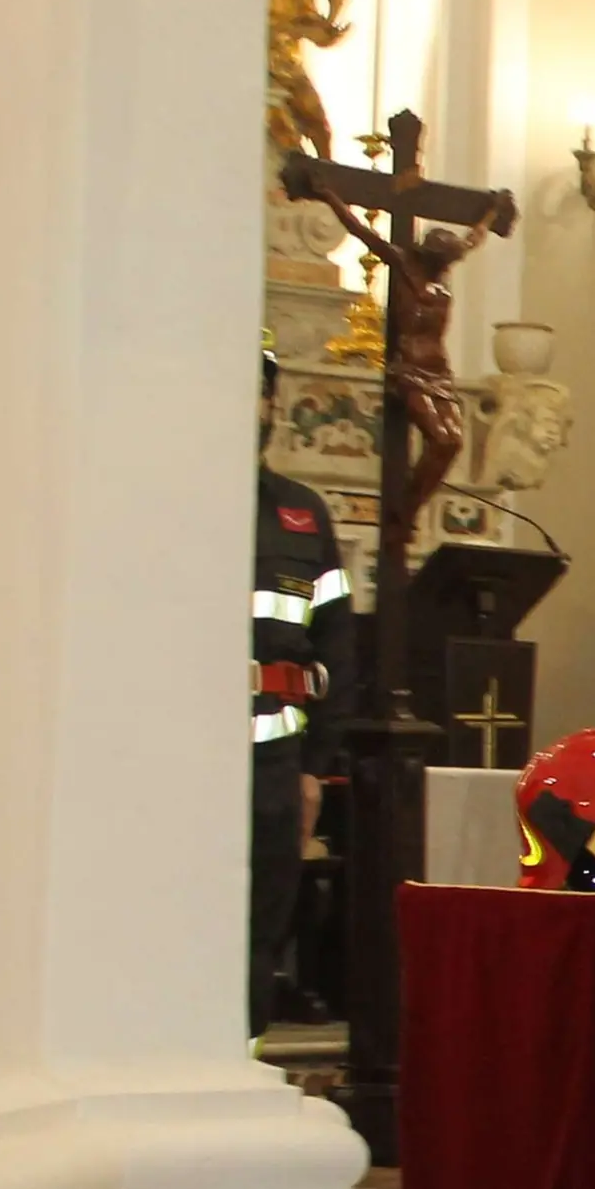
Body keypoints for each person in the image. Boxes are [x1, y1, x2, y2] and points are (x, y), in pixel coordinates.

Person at [249, 345, 352, 1038]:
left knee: (263, 923)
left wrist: (316, 767)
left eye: (257, 393)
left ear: (272, 408)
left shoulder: (303, 514)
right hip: (176, 765)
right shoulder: (166, 508)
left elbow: (336, 642)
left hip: (276, 767)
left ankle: (242, 1059)